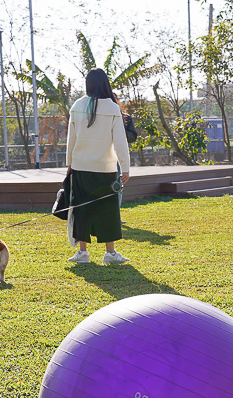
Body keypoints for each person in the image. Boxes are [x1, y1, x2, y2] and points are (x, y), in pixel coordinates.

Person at [65, 68, 131, 264]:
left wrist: (69, 165)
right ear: (105, 84)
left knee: (81, 210)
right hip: (106, 169)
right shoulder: (112, 108)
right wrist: (125, 167)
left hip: (80, 167)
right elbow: (120, 141)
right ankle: (110, 254)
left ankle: (82, 253)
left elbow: (71, 140)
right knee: (108, 210)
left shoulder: (77, 106)